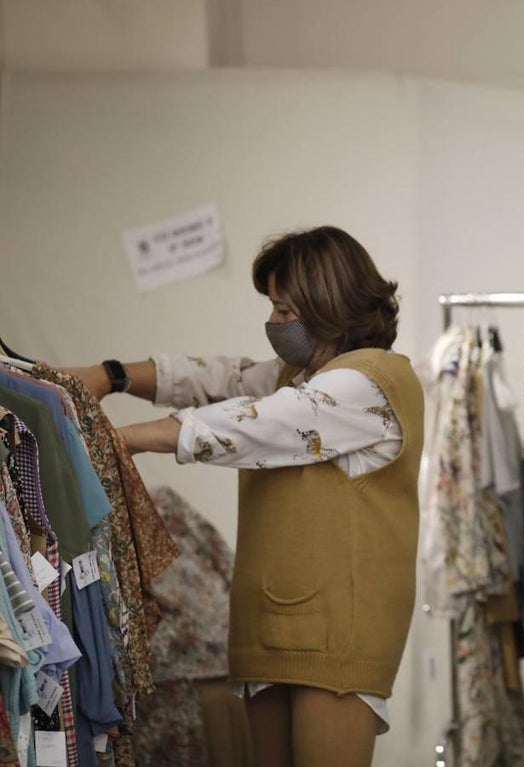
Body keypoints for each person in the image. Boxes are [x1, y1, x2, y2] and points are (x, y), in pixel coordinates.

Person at [65, 226, 424, 767]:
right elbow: (217, 378)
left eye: (284, 309)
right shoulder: (295, 377)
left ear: (326, 304)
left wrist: (123, 441)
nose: (274, 322)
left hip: (337, 638)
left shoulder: (374, 382)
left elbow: (258, 422)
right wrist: (111, 376)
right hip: (269, 627)